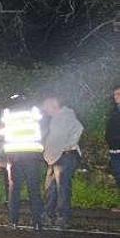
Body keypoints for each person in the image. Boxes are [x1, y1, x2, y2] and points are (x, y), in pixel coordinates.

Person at [0, 95, 45, 231]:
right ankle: (37, 223)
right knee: (34, 190)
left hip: (15, 157)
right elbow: (42, 129)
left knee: (14, 190)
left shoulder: (8, 114)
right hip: (32, 156)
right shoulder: (34, 113)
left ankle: (13, 222)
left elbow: (2, 133)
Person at [42, 95, 83, 229]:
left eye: (47, 106)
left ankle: (62, 217)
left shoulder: (67, 115)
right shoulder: (53, 119)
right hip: (54, 157)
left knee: (62, 188)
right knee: (50, 187)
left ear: (54, 104)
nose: (45, 109)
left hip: (65, 157)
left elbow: (78, 129)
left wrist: (69, 145)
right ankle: (49, 214)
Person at [107, 84, 120, 190]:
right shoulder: (114, 111)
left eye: (119, 94)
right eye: (115, 94)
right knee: (118, 175)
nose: (116, 96)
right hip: (114, 150)